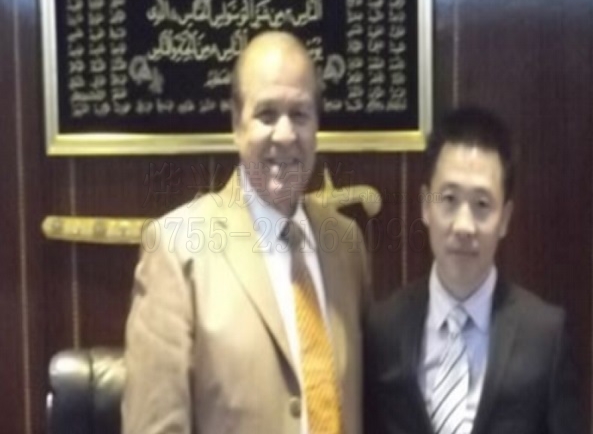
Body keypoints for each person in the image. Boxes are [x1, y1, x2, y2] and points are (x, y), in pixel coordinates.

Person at [122, 31, 370, 434]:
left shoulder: (345, 242)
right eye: (267, 115)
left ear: (317, 125)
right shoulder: (176, 249)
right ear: (237, 124)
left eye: (300, 114)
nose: (285, 135)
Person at [364, 107, 586, 434]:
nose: (464, 226)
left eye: (482, 204)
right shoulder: (383, 329)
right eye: (449, 199)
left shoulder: (545, 337)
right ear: (426, 205)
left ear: (505, 218)